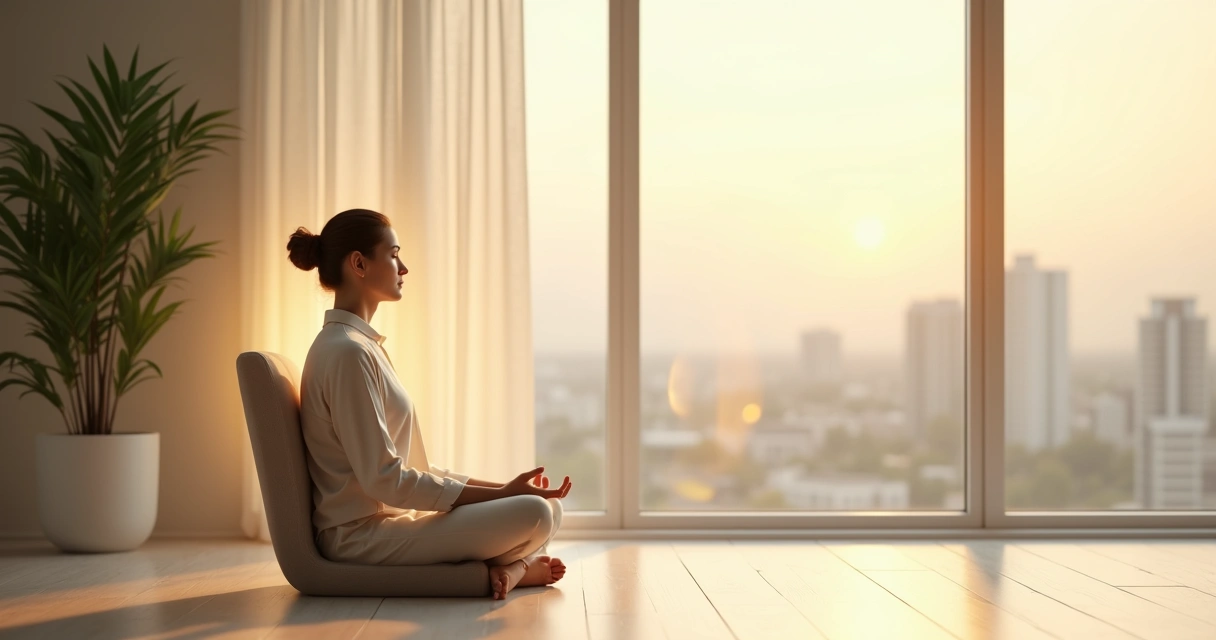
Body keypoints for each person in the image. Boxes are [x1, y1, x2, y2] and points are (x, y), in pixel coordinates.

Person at [286, 208, 571, 600]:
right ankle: (518, 566)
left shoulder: (362, 347)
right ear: (359, 263)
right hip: (360, 537)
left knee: (546, 508)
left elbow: (417, 469)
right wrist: (504, 495)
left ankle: (514, 567)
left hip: (395, 522)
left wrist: (508, 488)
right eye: (393, 254)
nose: (403, 268)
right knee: (535, 514)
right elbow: (385, 481)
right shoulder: (345, 353)